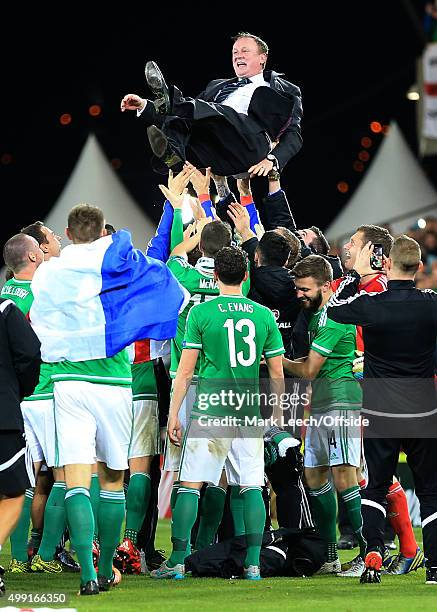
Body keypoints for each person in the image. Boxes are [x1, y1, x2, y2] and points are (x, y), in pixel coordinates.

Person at [29, 203, 186, 595]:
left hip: (67, 383)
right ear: (101, 232)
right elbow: (168, 281)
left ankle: (85, 573)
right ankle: (104, 567)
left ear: (67, 231)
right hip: (116, 384)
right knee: (114, 481)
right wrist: (175, 208)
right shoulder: (119, 264)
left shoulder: (49, 272)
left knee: (77, 481)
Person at [151, 246, 285, 581]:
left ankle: (179, 561)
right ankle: (253, 564)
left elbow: (183, 374)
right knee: (252, 486)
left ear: (214, 276)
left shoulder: (201, 315)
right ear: (245, 276)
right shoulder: (263, 314)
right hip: (247, 410)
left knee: (190, 485)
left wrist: (173, 414)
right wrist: (279, 414)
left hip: (212, 406)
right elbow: (277, 373)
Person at [327, 236, 437, 585]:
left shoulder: (372, 304)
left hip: (380, 408)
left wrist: (355, 274)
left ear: (386, 264)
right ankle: (435, 568)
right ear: (420, 268)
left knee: (375, 487)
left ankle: (373, 555)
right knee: (431, 491)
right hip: (422, 407)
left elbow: (334, 307)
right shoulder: (432, 304)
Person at [282, 255, 367, 575]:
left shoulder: (334, 318)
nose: (299, 294)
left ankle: (368, 553)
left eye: (305, 289)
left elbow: (309, 369)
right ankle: (330, 556)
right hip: (319, 407)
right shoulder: (318, 316)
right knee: (315, 476)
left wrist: (274, 360)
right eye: (297, 289)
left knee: (345, 477)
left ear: (326, 286)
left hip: (340, 403)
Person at [120, 32, 302, 177]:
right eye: (235, 52)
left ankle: (169, 101)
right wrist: (143, 105)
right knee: (183, 119)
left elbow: (294, 134)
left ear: (262, 58)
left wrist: (273, 160)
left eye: (244, 51)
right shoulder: (217, 85)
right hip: (216, 153)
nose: (238, 55)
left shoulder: (284, 90)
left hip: (249, 147)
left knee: (216, 111)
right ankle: (173, 157)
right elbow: (192, 109)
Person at [0, 297, 41, 597]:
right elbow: (30, 353)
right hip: (3, 416)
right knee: (15, 492)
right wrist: (19, 391)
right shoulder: (5, 310)